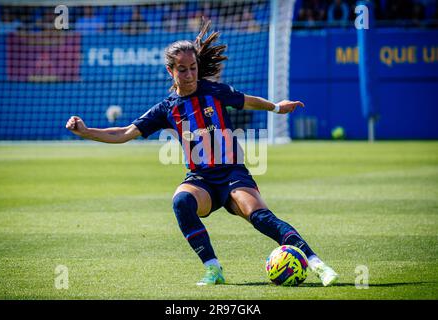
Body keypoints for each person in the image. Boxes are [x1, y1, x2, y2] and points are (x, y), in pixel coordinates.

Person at [65, 19, 339, 287]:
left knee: (261, 217)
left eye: (193, 68)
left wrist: (277, 108)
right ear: (170, 70)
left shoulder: (216, 92)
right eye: (182, 69)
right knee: (181, 201)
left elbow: (248, 101)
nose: (189, 74)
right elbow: (125, 133)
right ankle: (213, 268)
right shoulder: (167, 108)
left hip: (233, 174)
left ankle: (317, 264)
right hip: (201, 180)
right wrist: (87, 132)